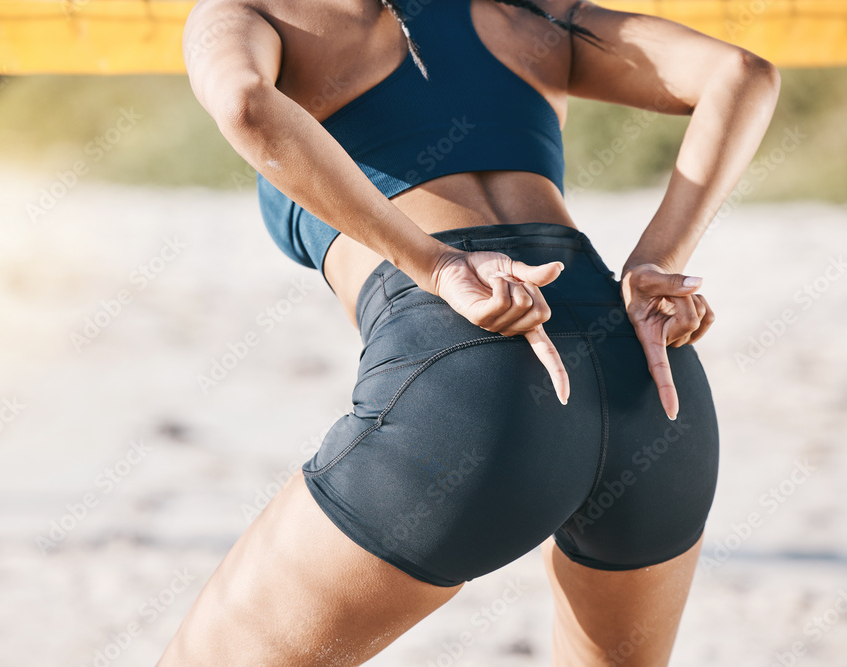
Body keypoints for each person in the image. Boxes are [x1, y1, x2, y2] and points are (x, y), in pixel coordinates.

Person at [159, 0, 780, 664]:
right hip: (643, 368)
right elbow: (740, 73)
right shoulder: (532, 12)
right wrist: (659, 259)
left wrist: (434, 262)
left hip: (470, 373)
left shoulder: (254, 12)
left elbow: (245, 105)